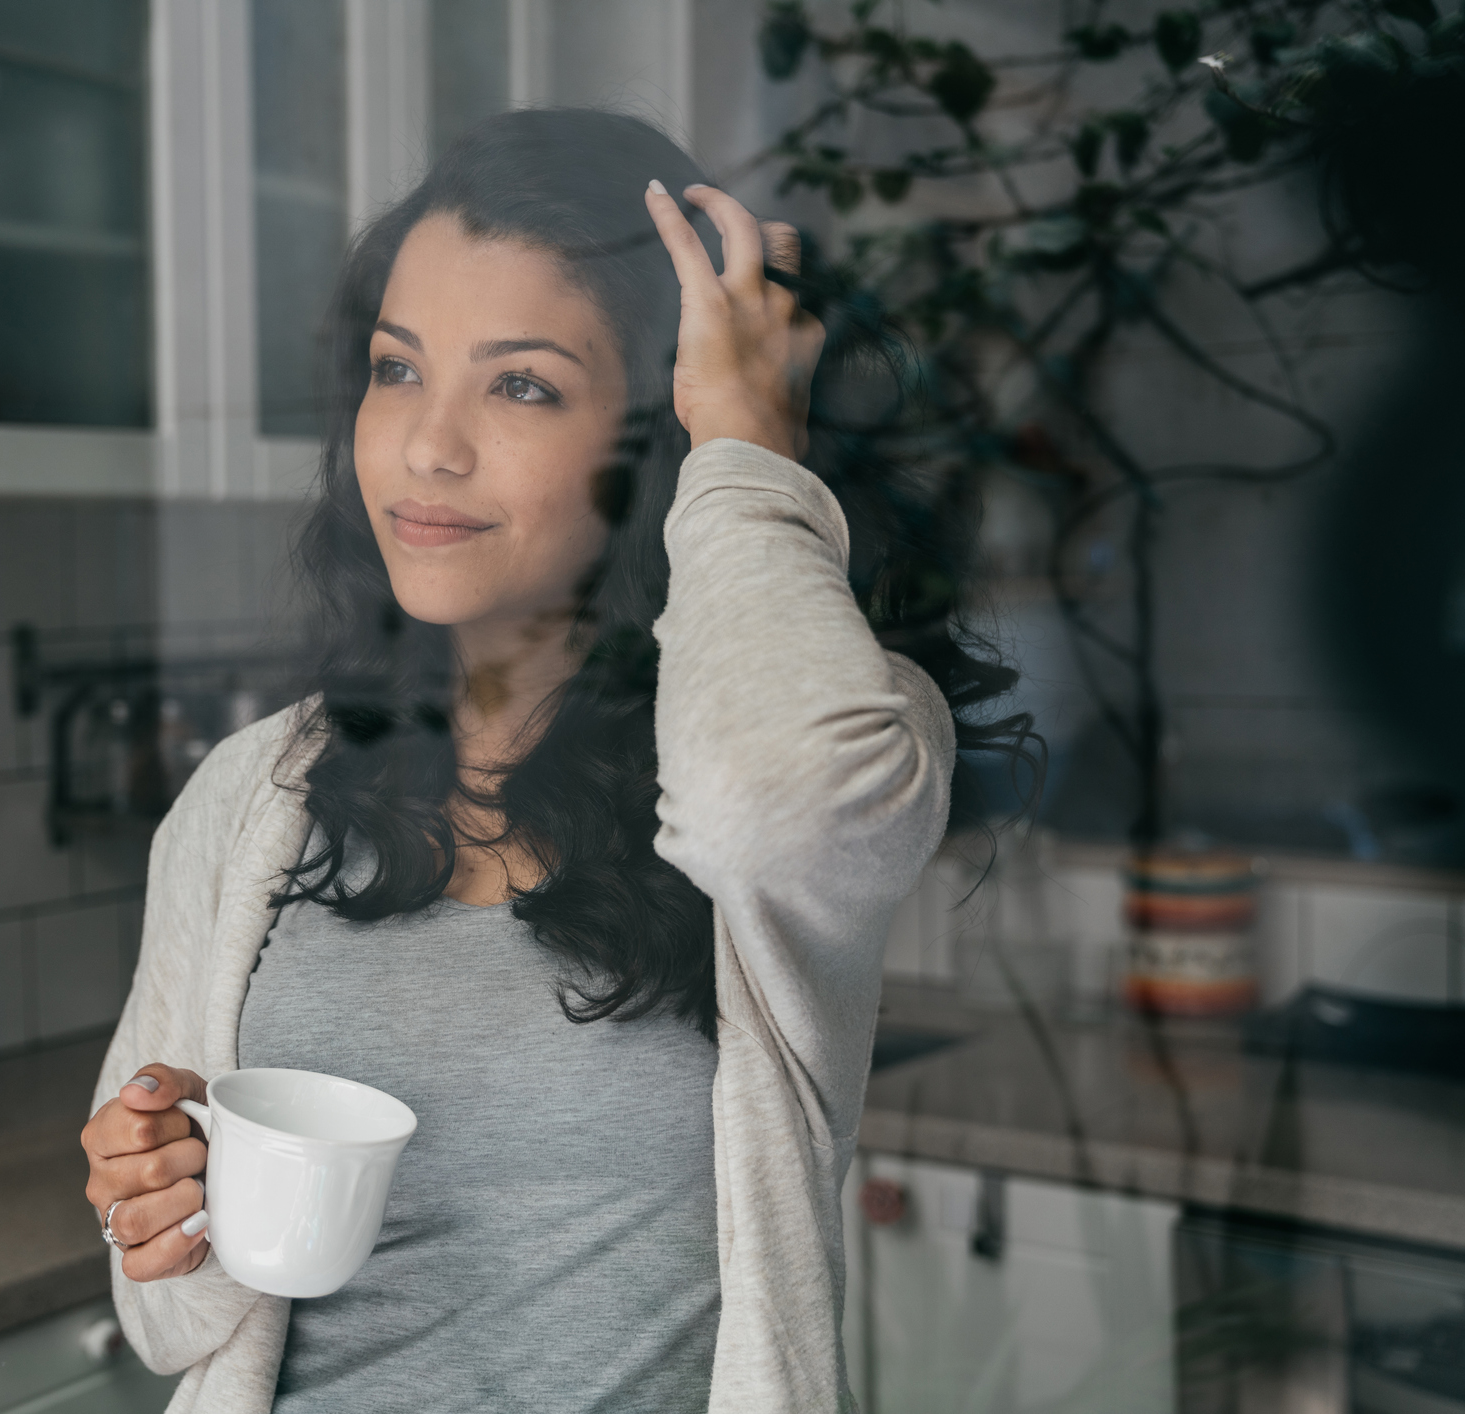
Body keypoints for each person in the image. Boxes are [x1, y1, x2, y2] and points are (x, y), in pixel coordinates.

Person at [80, 108, 1030, 1413]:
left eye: (521, 383)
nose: (428, 444)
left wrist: (748, 442)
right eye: (398, 368)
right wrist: (161, 1201)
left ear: (659, 435)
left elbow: (772, 797)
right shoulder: (253, 797)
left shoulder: (842, 740)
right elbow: (171, 1321)